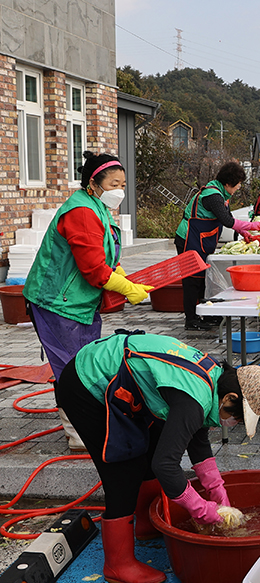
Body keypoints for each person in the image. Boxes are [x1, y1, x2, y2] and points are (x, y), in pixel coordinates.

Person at [55, 331, 260, 583]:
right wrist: (203, 511)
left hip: (122, 377)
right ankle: (118, 565)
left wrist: (220, 496)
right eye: (237, 418)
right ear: (230, 398)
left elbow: (198, 443)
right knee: (123, 470)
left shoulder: (213, 382)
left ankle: (148, 525)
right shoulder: (193, 402)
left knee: (152, 446)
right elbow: (166, 466)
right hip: (87, 381)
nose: (234, 423)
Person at [23, 151, 154, 451]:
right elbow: (94, 270)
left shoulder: (97, 208)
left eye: (123, 184)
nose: (119, 191)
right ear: (93, 184)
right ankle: (77, 432)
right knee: (70, 369)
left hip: (79, 303)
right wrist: (126, 289)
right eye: (113, 184)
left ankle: (84, 420)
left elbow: (105, 256)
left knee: (85, 362)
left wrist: (125, 279)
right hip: (57, 303)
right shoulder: (81, 212)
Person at [175, 161, 259, 331]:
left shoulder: (221, 194)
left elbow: (227, 217)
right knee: (192, 280)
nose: (239, 187)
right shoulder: (213, 196)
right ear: (228, 183)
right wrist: (252, 226)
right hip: (188, 239)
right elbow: (228, 221)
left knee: (203, 279)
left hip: (200, 240)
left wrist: (244, 233)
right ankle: (191, 319)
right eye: (238, 184)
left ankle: (205, 314)